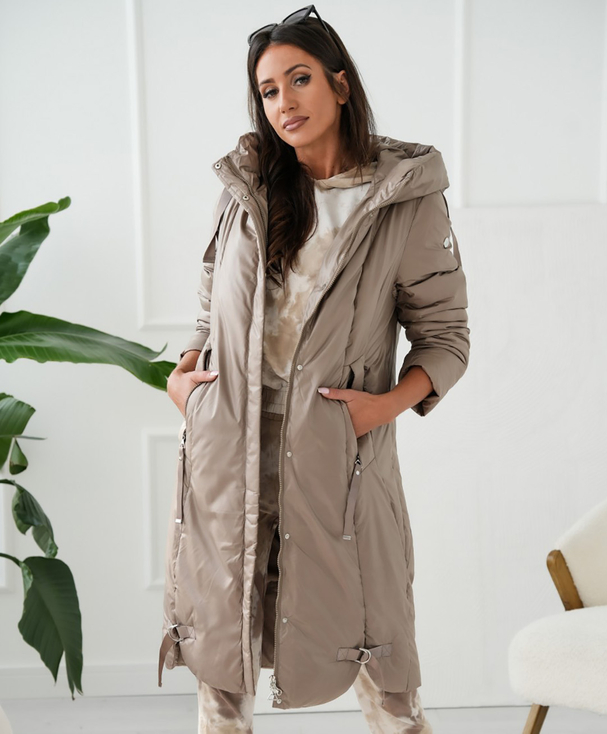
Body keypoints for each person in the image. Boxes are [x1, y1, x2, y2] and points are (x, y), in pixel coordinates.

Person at [161, 5, 470, 733]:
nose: (284, 103)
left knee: (378, 649)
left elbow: (445, 337)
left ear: (339, 83)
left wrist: (383, 407)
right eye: (268, 91)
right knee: (223, 655)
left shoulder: (403, 199)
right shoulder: (248, 188)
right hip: (229, 448)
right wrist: (184, 380)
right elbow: (210, 310)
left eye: (298, 80)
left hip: (337, 454)